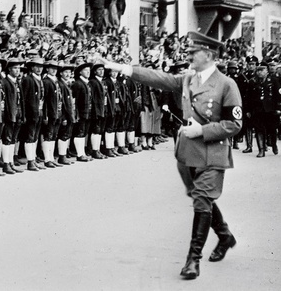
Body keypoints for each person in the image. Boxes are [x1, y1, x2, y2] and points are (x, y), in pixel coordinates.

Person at [100, 31, 242, 280]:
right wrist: (121, 67)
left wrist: (203, 130)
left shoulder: (227, 84)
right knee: (200, 197)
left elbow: (234, 124)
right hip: (187, 153)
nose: (188, 56)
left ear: (208, 55)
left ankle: (193, 260)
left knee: (201, 199)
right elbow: (159, 78)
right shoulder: (188, 79)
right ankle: (225, 236)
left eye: (192, 53)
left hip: (212, 151)